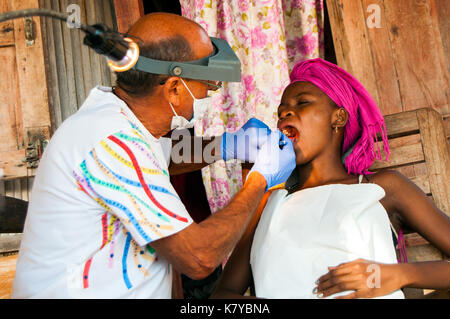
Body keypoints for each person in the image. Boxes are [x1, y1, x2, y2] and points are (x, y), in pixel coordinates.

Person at [11, 13, 296, 298]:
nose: (212, 92)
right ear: (174, 89)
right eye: (209, 85)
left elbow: (166, 156)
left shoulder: (120, 120)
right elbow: (199, 258)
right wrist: (259, 179)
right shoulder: (114, 143)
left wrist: (227, 145)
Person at [211, 58, 450, 299]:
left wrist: (398, 275)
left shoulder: (381, 187)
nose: (285, 114)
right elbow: (222, 295)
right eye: (281, 112)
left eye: (302, 102)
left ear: (339, 118)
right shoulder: (268, 202)